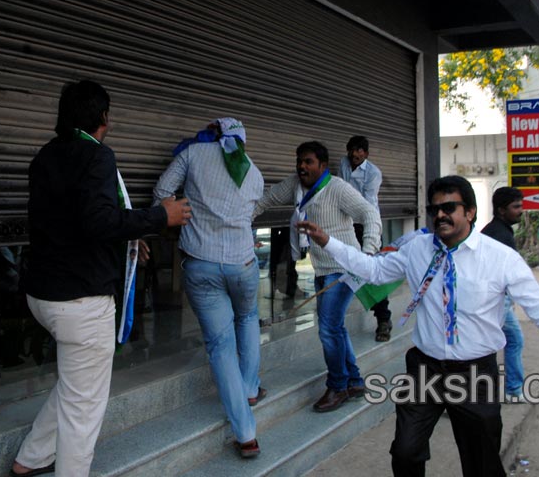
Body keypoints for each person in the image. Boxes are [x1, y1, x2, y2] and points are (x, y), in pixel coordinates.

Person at [297, 175, 539, 477]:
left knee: (482, 464)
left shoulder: (500, 258)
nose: (440, 215)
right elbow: (374, 270)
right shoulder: (417, 250)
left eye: (449, 208)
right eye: (434, 209)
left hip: (475, 374)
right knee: (405, 452)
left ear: (471, 212)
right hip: (425, 369)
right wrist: (329, 242)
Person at [12, 80, 191, 477]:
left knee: (76, 387)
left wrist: (126, 244)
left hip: (42, 294)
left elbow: (70, 222)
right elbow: (98, 220)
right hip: (81, 302)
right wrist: (162, 216)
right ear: (104, 117)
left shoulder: (45, 157)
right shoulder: (97, 157)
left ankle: (30, 459)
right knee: (84, 408)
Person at [153, 118, 265, 458]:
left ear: (214, 134)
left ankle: (246, 434)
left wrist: (188, 215)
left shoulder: (193, 154)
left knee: (220, 345)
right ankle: (248, 389)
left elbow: (161, 193)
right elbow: (250, 213)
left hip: (200, 263)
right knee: (247, 319)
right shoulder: (255, 173)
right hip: (243, 263)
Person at [254, 141, 381, 412]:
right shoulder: (295, 185)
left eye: (308, 161)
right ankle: (355, 381)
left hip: (345, 269)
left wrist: (369, 251)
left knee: (327, 329)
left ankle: (338, 386)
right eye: (299, 161)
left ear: (322, 166)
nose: (302, 166)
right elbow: (266, 200)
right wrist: (240, 219)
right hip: (322, 268)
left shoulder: (337, 188)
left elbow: (369, 213)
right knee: (335, 327)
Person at [340, 135, 392, 342]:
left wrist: (370, 240)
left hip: (366, 225)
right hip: (344, 224)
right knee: (341, 269)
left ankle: (383, 320)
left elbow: (368, 206)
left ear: (366, 154)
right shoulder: (343, 164)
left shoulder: (373, 173)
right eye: (352, 150)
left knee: (372, 272)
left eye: (360, 150)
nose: (355, 154)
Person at [480, 186, 526, 400]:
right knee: (488, 345)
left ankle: (513, 389)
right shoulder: (499, 235)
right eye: (516, 207)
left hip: (496, 298)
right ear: (501, 210)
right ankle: (512, 390)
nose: (521, 210)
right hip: (493, 299)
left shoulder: (498, 231)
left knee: (510, 340)